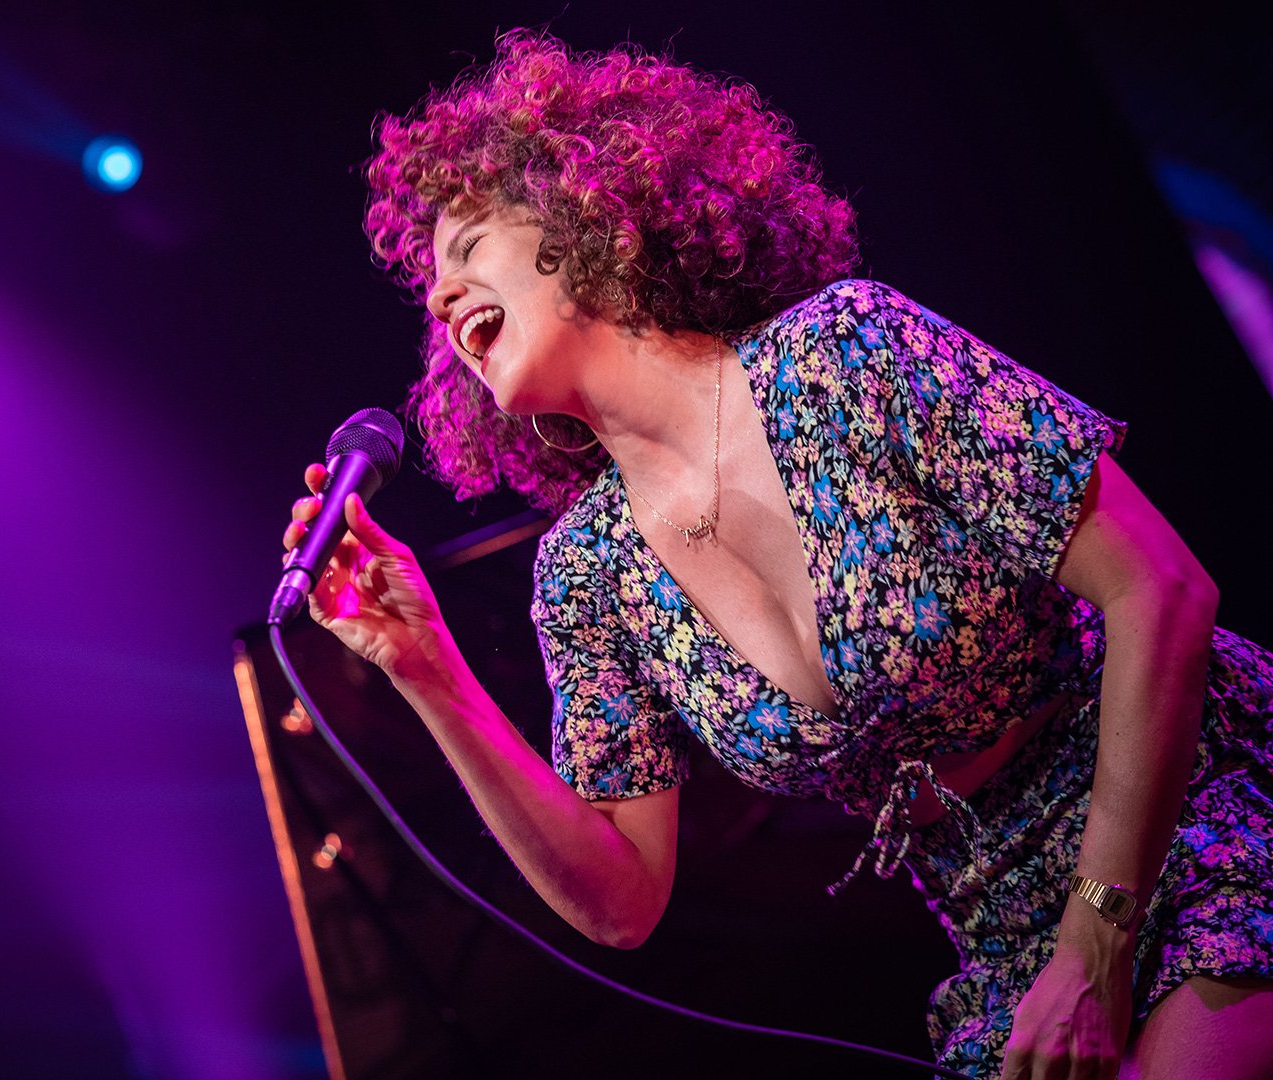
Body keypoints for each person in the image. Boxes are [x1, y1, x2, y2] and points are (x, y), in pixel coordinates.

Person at [281, 30, 1273, 1079]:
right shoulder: (589, 573)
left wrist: (1096, 941)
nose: (441, 300)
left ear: (579, 220)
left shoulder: (847, 352)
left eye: (469, 250)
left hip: (1186, 807)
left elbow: (1162, 590)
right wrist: (428, 670)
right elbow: (620, 902)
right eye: (433, 288)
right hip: (1003, 929)